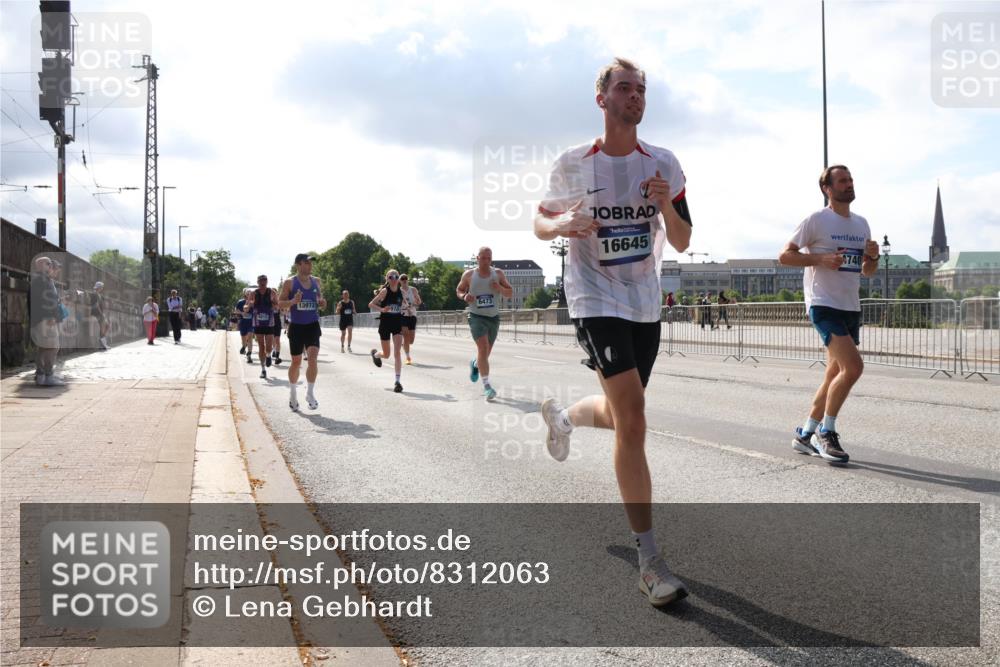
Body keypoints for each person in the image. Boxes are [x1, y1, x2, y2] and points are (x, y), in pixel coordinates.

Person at [534, 57, 693, 607]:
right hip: (593, 295)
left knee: (621, 411)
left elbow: (682, 239)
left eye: (641, 89)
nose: (635, 96)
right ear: (602, 99)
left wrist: (662, 206)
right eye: (624, 88)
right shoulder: (574, 163)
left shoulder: (665, 164)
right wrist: (562, 224)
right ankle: (650, 562)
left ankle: (561, 417)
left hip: (643, 302)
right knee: (635, 416)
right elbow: (539, 221)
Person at [780, 164, 879, 465]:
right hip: (823, 304)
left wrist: (873, 257)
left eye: (850, 180)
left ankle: (804, 433)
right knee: (853, 368)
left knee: (834, 373)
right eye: (842, 181)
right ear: (827, 188)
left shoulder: (862, 224)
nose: (849, 185)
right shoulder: (816, 220)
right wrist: (820, 258)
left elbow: (867, 271)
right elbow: (785, 255)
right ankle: (828, 431)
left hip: (850, 304)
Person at [455, 247, 512, 401]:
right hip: (476, 316)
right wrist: (464, 296)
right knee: (483, 347)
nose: (486, 261)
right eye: (483, 258)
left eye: (489, 258)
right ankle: (487, 387)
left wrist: (499, 287)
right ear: (477, 258)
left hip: (493, 317)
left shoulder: (498, 274)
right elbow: (459, 290)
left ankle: (475, 364)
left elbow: (509, 292)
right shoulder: (469, 275)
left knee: (485, 354)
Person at [279, 254, 326, 410]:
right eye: (306, 262)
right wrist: (293, 301)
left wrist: (322, 303)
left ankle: (310, 393)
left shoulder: (317, 281)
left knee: (312, 358)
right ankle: (293, 394)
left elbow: (321, 302)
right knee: (296, 362)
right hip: (297, 326)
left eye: (310, 263)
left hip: (312, 325)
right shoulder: (290, 283)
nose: (310, 265)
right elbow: (280, 304)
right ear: (298, 265)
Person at [369, 269, 406, 393]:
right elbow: (371, 304)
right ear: (388, 279)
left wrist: (409, 307)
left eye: (396, 276)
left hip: (397, 324)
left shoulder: (401, 292)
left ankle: (397, 381)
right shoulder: (385, 291)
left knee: (397, 353)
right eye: (391, 277)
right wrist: (382, 309)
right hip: (385, 324)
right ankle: (375, 354)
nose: (394, 279)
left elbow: (405, 304)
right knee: (387, 354)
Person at [29, 256, 63, 386]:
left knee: (44, 348)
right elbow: (42, 301)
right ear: (41, 265)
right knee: (52, 347)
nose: (51, 267)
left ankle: (41, 375)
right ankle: (47, 375)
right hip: (45, 320)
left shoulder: (43, 280)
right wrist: (50, 316)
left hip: (43, 319)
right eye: (49, 264)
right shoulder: (41, 280)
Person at [247, 275, 278, 379]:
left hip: (269, 322)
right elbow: (246, 305)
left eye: (264, 280)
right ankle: (263, 369)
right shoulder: (253, 293)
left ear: (267, 282)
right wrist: (247, 306)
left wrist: (274, 303)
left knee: (268, 346)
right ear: (258, 282)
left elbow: (277, 305)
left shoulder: (272, 292)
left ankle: (268, 356)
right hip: (258, 322)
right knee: (261, 346)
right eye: (260, 281)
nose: (262, 282)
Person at [400, 274, 423, 365]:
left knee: (411, 341)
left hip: (412, 315)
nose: (404, 280)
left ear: (408, 280)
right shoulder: (398, 291)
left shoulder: (413, 289)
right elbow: (399, 302)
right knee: (405, 336)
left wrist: (417, 301)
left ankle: (403, 344)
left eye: (406, 278)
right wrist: (406, 307)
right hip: (402, 314)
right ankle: (408, 357)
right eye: (402, 279)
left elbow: (419, 301)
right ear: (400, 281)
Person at [235, 288, 255, 362]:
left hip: (251, 322)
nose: (249, 293)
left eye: (250, 292)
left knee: (250, 338)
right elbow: (236, 310)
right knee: (243, 337)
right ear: (245, 294)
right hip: (243, 322)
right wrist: (242, 313)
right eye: (247, 292)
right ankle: (244, 346)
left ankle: (249, 355)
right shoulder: (240, 302)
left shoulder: (254, 302)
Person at [90, 281, 110, 350]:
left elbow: (102, 303)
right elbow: (96, 305)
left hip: (101, 313)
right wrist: (101, 313)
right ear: (99, 287)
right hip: (97, 313)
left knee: (106, 326)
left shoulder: (99, 294)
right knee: (104, 327)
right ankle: (103, 344)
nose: (102, 288)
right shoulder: (94, 294)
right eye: (101, 287)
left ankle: (102, 342)